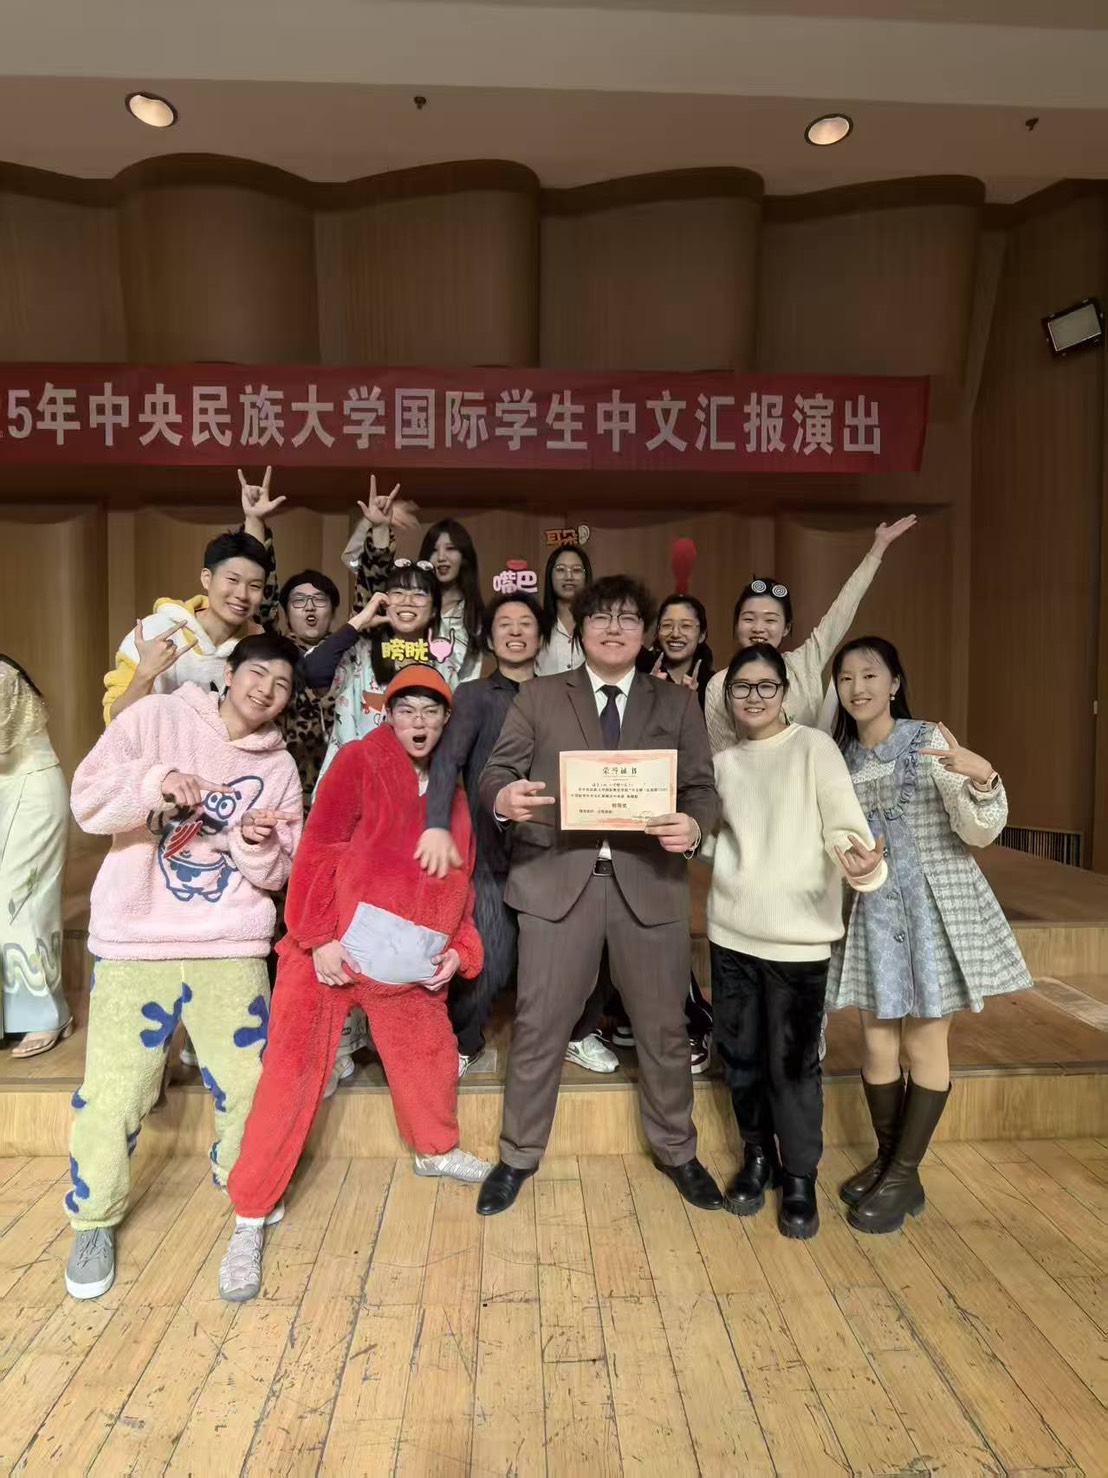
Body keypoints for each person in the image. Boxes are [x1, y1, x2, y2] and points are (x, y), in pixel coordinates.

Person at [219, 667, 490, 1302]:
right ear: (387, 715)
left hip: (406, 958)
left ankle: (435, 1149)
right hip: (333, 951)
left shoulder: (452, 788)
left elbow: (462, 878)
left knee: (428, 1054)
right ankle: (250, 1215)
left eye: (431, 711)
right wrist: (318, 936)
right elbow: (319, 846)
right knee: (291, 1074)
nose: (419, 722)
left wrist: (460, 949)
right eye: (407, 709)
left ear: (445, 721)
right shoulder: (358, 760)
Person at [63, 634, 304, 1300]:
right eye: (257, 673)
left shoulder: (280, 766)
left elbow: (280, 870)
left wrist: (254, 843)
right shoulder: (156, 717)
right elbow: (88, 800)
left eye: (282, 685)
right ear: (229, 672)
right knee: (114, 1091)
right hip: (136, 940)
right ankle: (93, 1218)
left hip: (229, 943)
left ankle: (245, 1186)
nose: (265, 690)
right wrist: (156, 785)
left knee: (249, 1083)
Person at [476, 575, 723, 1216]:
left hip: (650, 883)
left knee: (663, 1028)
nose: (614, 629)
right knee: (539, 1025)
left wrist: (695, 826)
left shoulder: (676, 703)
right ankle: (517, 1154)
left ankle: (678, 1150)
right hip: (557, 879)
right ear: (580, 630)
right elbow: (498, 771)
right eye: (601, 618)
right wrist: (503, 798)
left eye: (628, 619)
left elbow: (701, 788)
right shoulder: (539, 695)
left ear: (645, 634)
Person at [827, 636, 1032, 1234]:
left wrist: (984, 777)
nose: (858, 687)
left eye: (871, 674)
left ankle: (902, 1173)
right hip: (871, 910)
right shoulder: (838, 758)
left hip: (933, 906)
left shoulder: (928, 740)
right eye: (846, 677)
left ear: (894, 683)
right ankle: (893, 1165)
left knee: (924, 1042)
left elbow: (976, 832)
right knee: (875, 1043)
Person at [706, 645, 886, 1238]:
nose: (754, 697)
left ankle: (800, 1176)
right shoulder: (723, 763)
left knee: (793, 1066)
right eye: (742, 687)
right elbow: (721, 844)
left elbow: (846, 830)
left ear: (784, 692)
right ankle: (758, 1157)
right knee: (741, 1057)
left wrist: (863, 867)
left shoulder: (814, 748)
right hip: (731, 934)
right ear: (728, 697)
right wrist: (687, 839)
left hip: (799, 943)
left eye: (766, 686)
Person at [415, 593, 618, 1077]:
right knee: (490, 961)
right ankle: (464, 1041)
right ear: (489, 638)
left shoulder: (566, 695)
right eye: (503, 623)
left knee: (585, 952)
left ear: (541, 637)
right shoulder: (473, 695)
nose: (514, 631)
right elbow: (446, 764)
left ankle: (578, 1033)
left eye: (525, 623)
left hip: (555, 853)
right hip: (491, 856)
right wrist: (436, 825)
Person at [703, 516, 918, 754]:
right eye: (749, 618)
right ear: (736, 625)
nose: (759, 628)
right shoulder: (720, 684)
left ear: (786, 628)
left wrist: (878, 547)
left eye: (770, 620)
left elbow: (842, 611)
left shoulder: (805, 662)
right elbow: (721, 759)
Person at [102, 530, 272, 723]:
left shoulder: (260, 650)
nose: (242, 594)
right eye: (233, 580)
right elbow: (116, 720)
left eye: (255, 586)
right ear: (207, 578)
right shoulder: (155, 631)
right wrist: (144, 674)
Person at [0, 656, 71, 1057]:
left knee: (20, 902)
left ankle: (47, 1014)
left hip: (30, 792)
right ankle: (14, 1017)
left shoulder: (1, 675)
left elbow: (3, 751)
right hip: (8, 792)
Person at [319, 559, 446, 780]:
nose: (407, 601)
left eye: (419, 594)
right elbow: (312, 673)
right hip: (352, 782)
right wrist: (359, 621)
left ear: (434, 609)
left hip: (417, 786)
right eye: (397, 593)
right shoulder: (359, 653)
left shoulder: (444, 662)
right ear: (384, 602)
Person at [419, 519, 485, 688]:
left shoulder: (474, 615)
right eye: (434, 550)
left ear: (464, 556)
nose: (441, 557)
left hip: (460, 701)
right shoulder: (414, 608)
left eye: (450, 548)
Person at [534, 542, 591, 677]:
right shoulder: (536, 626)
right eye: (561, 570)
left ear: (586, 576)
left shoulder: (598, 626)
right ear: (550, 575)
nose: (569, 577)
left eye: (576, 570)